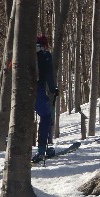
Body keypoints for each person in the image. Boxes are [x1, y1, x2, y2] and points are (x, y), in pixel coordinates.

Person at [34, 34, 58, 162]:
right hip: (37, 90)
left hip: (20, 93)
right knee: (46, 116)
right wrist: (53, 89)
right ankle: (41, 150)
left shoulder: (24, 54)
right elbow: (49, 74)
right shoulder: (45, 55)